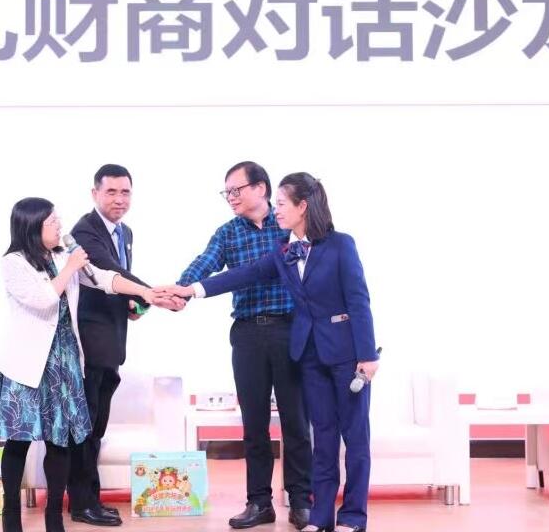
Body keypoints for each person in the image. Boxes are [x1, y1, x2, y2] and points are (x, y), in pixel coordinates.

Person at [165, 173, 379, 532]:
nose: (276, 210)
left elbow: (359, 301)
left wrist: (368, 355)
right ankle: (320, 517)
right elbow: (242, 274)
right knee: (324, 439)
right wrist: (189, 290)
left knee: (352, 440)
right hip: (307, 355)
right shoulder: (281, 250)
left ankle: (352, 518)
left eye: (281, 203)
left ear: (302, 206)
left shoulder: (341, 244)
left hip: (345, 356)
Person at [0, 197, 164, 532]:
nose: (60, 226)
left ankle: (54, 517)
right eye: (52, 221)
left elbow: (104, 279)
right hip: (27, 366)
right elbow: (43, 300)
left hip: (66, 360)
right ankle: (10, 517)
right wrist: (70, 267)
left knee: (61, 442)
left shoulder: (62, 256)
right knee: (18, 441)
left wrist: (146, 293)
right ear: (32, 226)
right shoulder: (13, 262)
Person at [176, 161, 313, 530]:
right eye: (227, 192)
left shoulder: (288, 225)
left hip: (290, 331)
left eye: (236, 190)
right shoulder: (228, 232)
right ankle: (259, 502)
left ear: (261, 188)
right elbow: (204, 264)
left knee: (296, 421)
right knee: (253, 424)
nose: (231, 198)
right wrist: (180, 290)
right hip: (248, 334)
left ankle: (301, 501)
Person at [66, 164, 184, 527]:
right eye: (111, 192)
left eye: (125, 192)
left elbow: (119, 284)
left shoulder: (125, 231)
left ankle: (90, 499)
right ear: (95, 194)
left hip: (113, 340)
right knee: (85, 425)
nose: (119, 199)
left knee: (97, 426)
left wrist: (138, 304)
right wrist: (155, 294)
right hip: (88, 343)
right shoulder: (84, 231)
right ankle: (82, 503)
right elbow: (108, 271)